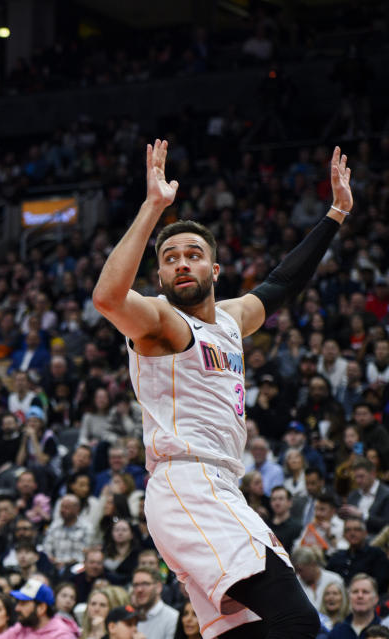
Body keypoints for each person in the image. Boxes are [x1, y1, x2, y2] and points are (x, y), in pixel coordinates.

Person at [92, 140, 354, 638]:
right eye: (170, 258)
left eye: (194, 255)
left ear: (215, 271)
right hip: (187, 484)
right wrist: (153, 209)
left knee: (248, 630)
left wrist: (336, 214)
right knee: (297, 619)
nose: (182, 263)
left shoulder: (231, 320)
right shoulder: (160, 322)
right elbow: (107, 296)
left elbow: (281, 283)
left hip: (220, 488)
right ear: (161, 277)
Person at [0, 580, 79, 638]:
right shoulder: (23, 626)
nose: (17, 608)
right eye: (18, 603)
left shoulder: (62, 636)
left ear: (41, 608)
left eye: (23, 603)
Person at [327, 574, 382, 639]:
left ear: (376, 598)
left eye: (365, 592)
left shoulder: (384, 629)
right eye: (355, 592)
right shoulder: (337, 632)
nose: (360, 596)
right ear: (348, 597)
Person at [129, 568, 177, 639]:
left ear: (158, 587)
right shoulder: (130, 617)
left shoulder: (173, 618)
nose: (139, 590)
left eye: (145, 584)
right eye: (136, 585)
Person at [290, 547, 343, 612]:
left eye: (300, 570)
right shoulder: (296, 583)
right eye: (296, 571)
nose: (299, 574)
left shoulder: (334, 580)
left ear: (313, 565)